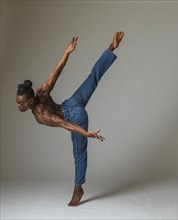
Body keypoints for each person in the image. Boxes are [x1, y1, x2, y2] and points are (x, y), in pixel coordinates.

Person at [16, 31, 124, 206]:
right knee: (92, 77)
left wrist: (86, 133)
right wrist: (66, 52)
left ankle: (78, 189)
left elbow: (66, 123)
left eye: (20, 103)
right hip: (71, 103)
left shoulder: (41, 116)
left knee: (79, 153)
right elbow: (55, 73)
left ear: (29, 101)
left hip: (74, 115)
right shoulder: (41, 91)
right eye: (17, 103)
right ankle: (111, 47)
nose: (18, 106)